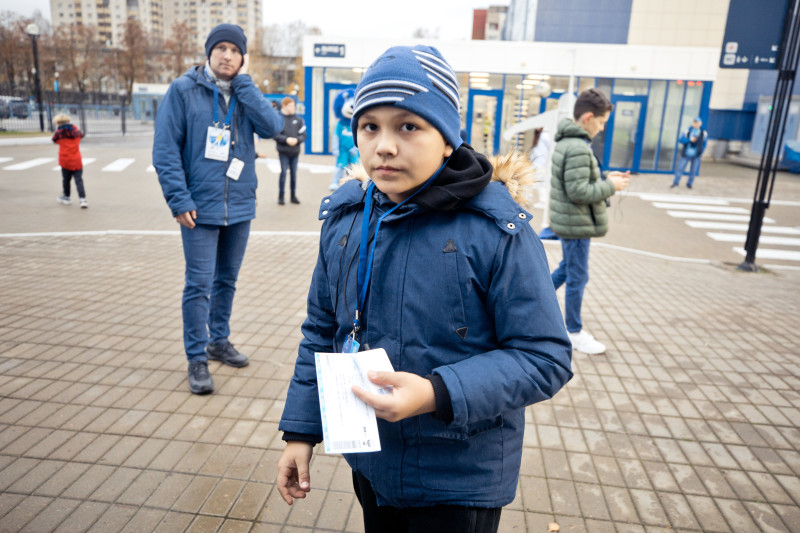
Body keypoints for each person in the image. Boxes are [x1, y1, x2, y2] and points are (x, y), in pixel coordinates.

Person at [276, 45, 573, 533]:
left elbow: (545, 357)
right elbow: (321, 328)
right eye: (370, 126)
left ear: (447, 139)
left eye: (407, 126)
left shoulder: (495, 231)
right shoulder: (347, 220)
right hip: (372, 466)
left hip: (458, 481)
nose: (384, 145)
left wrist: (437, 392)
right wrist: (302, 431)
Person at [153, 23, 283, 395]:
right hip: (198, 208)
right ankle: (196, 357)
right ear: (209, 53)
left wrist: (245, 86)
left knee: (226, 280)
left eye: (234, 50)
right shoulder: (183, 90)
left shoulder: (245, 91)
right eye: (220, 48)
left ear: (242, 58)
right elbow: (165, 151)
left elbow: (273, 126)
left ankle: (218, 341)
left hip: (239, 206)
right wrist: (179, 200)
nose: (227, 55)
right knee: (199, 284)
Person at [549, 88, 630, 355]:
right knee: (577, 276)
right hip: (576, 224)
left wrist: (606, 176)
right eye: (602, 122)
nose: (602, 128)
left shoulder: (568, 143)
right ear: (588, 117)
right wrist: (611, 185)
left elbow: (577, 181)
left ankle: (529, 301)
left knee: (567, 269)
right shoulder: (578, 148)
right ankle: (573, 332)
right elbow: (579, 192)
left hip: (571, 223)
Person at [274, 96, 306, 205]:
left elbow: (304, 135)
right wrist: (286, 139)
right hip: (283, 152)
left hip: (295, 152)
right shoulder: (279, 119)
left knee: (294, 174)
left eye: (294, 105)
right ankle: (281, 196)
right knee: (283, 173)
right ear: (284, 106)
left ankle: (293, 196)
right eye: (291, 106)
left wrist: (297, 140)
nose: (293, 108)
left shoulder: (299, 120)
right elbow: (275, 134)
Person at [52, 113, 87, 208]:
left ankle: (66, 197)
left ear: (58, 122)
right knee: (79, 180)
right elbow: (81, 136)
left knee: (66, 180)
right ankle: (82, 199)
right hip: (76, 159)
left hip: (65, 160)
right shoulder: (76, 131)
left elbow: (54, 140)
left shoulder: (59, 133)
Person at [672, 117, 707, 189]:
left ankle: (689, 184)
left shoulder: (703, 133)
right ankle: (676, 182)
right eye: (695, 122)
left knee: (693, 170)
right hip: (686, 154)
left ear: (700, 124)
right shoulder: (687, 131)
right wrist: (689, 140)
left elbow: (704, 143)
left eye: (698, 123)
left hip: (696, 155)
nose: (696, 124)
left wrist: (701, 151)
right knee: (680, 168)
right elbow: (681, 140)